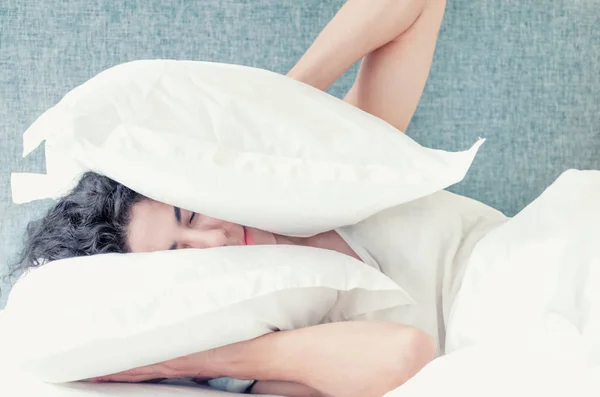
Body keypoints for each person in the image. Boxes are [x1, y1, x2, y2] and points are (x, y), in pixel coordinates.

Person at [4, 1, 488, 396]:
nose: (215, 239)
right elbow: (407, 356)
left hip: (514, 248)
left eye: (189, 213)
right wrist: (190, 361)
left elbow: (418, 6)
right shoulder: (254, 337)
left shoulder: (323, 180)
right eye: (182, 254)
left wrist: (277, 104)